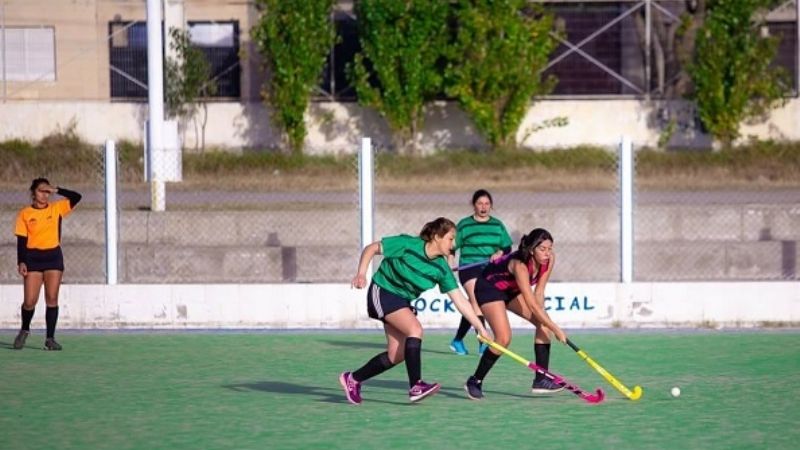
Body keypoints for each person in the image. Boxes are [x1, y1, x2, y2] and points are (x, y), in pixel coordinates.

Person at [340, 217, 489, 405]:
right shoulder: (408, 244)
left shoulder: (442, 268)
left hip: (401, 300)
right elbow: (371, 248)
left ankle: (353, 379)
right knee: (415, 329)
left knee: (397, 355)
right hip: (383, 290)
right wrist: (361, 273)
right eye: (450, 239)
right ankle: (415, 385)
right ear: (436, 236)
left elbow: (460, 300)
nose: (453, 245)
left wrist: (480, 328)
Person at [463, 228, 568, 400]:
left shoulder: (549, 260)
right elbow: (532, 305)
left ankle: (541, 379)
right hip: (489, 288)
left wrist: (547, 323)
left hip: (511, 290)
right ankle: (475, 381)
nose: (547, 253)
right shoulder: (520, 265)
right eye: (542, 249)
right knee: (503, 338)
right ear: (532, 249)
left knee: (543, 324)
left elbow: (539, 294)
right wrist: (556, 329)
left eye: (550, 249)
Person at [13, 178, 82, 351]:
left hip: (53, 258)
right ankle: (25, 329)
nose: (44, 195)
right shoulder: (25, 213)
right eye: (40, 191)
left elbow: (77, 197)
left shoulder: (56, 209)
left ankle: (49, 339)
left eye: (46, 191)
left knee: (51, 298)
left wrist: (57, 189)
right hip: (33, 259)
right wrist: (21, 261)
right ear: (33, 193)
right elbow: (22, 240)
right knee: (30, 301)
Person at [449, 189, 513, 356]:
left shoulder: (497, 225)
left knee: (475, 305)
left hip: (489, 270)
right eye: (480, 203)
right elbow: (451, 247)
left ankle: (457, 340)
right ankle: (483, 342)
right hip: (469, 268)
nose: (483, 207)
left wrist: (500, 252)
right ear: (474, 205)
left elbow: (507, 247)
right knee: (476, 301)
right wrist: (449, 263)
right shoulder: (464, 224)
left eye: (487, 204)